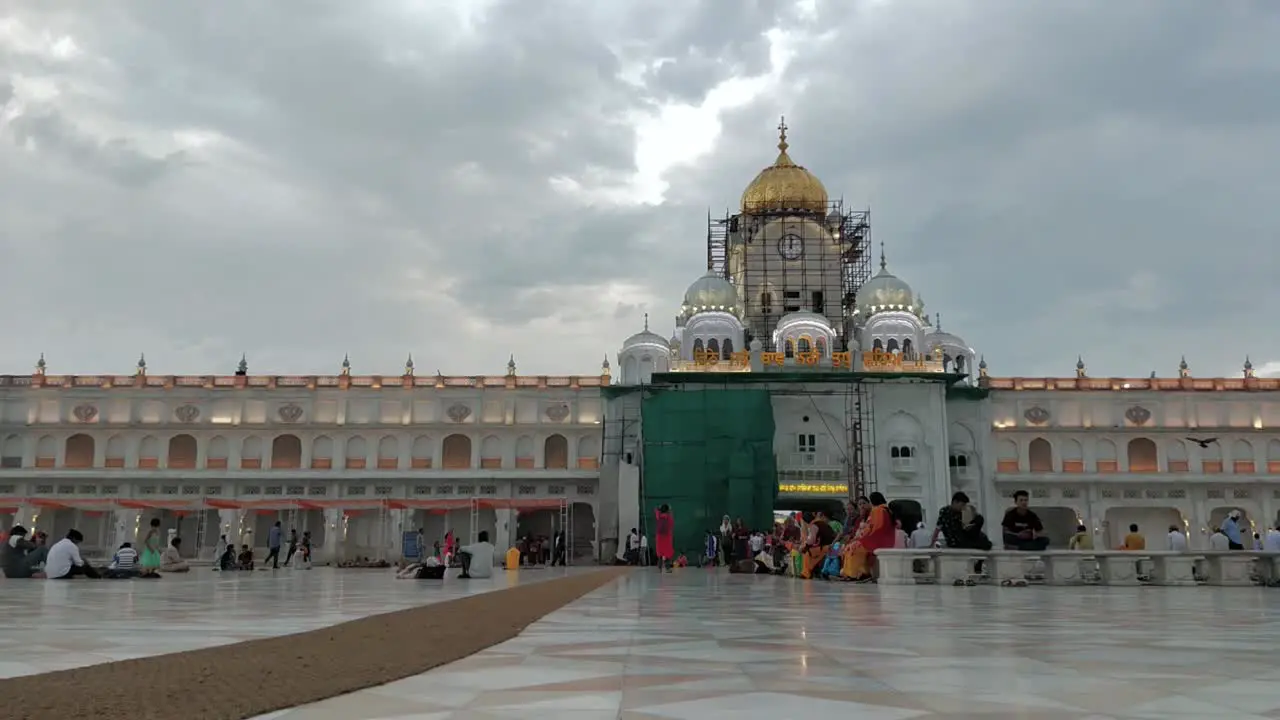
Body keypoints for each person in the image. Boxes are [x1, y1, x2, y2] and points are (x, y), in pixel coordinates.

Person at [840, 492, 896, 582]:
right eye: (860, 504)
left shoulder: (878, 510)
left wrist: (865, 537)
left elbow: (875, 528)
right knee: (850, 546)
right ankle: (850, 573)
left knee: (853, 548)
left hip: (878, 540)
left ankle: (858, 573)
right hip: (886, 539)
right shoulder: (886, 509)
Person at [800, 511, 836, 579]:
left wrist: (804, 546)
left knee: (807, 553)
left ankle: (806, 573)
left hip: (823, 548)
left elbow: (811, 541)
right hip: (829, 546)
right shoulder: (822, 523)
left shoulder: (814, 525)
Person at [654, 504, 674, 572]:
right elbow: (671, 524)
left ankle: (659, 567)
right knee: (668, 552)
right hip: (667, 536)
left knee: (660, 553)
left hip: (659, 537)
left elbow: (655, 510)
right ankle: (667, 567)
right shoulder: (669, 517)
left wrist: (659, 509)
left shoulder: (659, 516)